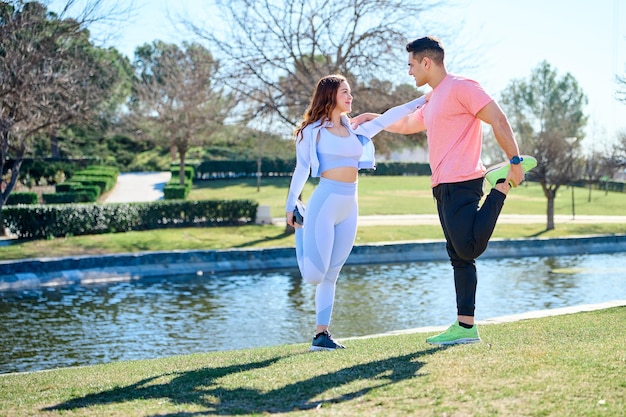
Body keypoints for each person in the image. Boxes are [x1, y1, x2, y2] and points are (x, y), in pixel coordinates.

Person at [350, 36, 537, 346]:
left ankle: (500, 186)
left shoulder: (462, 87)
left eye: (411, 64)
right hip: (441, 185)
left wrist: (515, 161)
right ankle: (466, 327)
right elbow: (409, 124)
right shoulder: (433, 98)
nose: (409, 71)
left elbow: (498, 119)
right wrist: (375, 120)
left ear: (427, 62)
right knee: (459, 256)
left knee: (469, 248)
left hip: (463, 180)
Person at [285, 74, 426, 351]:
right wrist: (290, 205)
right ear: (330, 96)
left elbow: (389, 117)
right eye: (345, 92)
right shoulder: (311, 132)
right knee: (314, 275)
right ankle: (301, 234)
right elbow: (301, 169)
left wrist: (424, 99)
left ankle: (321, 335)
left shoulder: (355, 131)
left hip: (350, 205)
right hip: (324, 202)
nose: (350, 97)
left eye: (350, 92)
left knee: (331, 274)